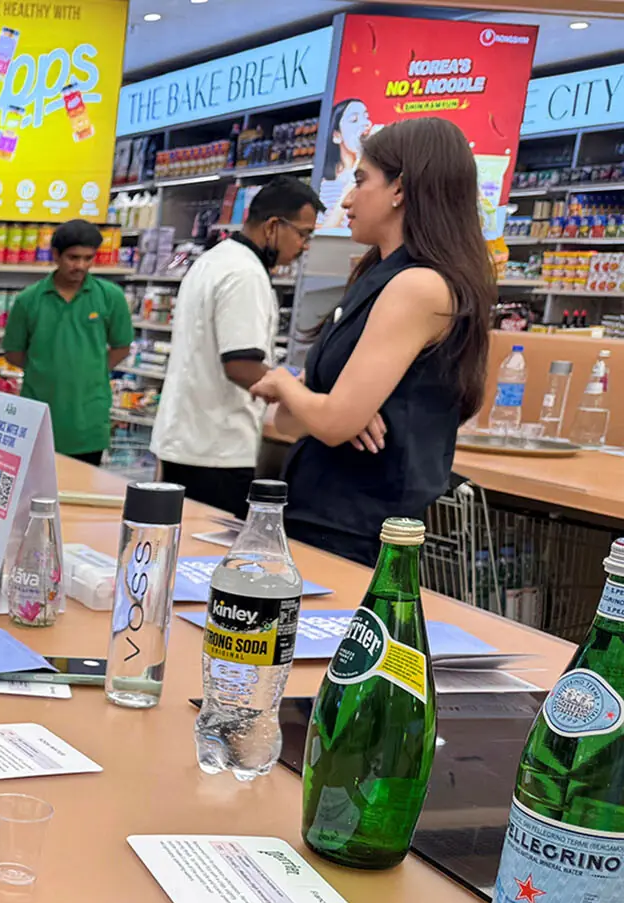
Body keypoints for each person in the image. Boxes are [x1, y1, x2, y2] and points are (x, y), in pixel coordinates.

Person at [251, 117, 494, 566]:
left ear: (400, 189)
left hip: (357, 530)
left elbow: (330, 419)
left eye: (361, 180)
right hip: (319, 512)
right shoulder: (376, 278)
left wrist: (286, 384)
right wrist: (322, 404)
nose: (346, 198)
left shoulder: (418, 286)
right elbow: (290, 423)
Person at [151, 178, 324, 518]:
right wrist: (303, 396)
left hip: (188, 440)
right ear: (274, 226)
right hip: (216, 448)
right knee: (206, 555)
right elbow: (241, 365)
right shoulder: (245, 273)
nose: (304, 246)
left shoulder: (216, 259)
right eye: (303, 234)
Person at [2, 219, 134, 466]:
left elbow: (122, 346)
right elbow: (13, 352)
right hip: (38, 415)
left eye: (88, 258)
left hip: (89, 419)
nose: (81, 265)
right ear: (56, 255)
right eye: (73, 258)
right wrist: (46, 369)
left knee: (82, 493)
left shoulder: (110, 297)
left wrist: (92, 369)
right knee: (34, 495)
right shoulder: (29, 300)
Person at [319, 98, 372, 230]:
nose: (365, 123)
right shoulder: (324, 184)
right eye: (354, 120)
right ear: (337, 136)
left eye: (366, 117)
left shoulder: (375, 177)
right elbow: (323, 232)